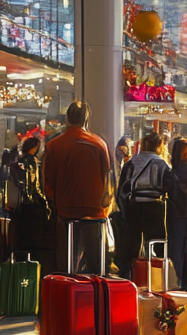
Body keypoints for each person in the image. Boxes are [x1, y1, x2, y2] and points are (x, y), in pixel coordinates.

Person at [41, 101, 113, 273]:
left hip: (65, 211)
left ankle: (67, 290)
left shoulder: (54, 145)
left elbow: (47, 181)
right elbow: (107, 179)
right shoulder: (99, 144)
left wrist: (55, 202)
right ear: (86, 119)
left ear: (67, 118)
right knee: (97, 265)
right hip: (95, 213)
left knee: (66, 262)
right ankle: (95, 293)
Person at [116, 132, 170, 277]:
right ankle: (159, 277)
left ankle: (129, 276)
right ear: (159, 146)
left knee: (132, 245)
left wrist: (123, 208)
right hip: (154, 207)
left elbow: (122, 188)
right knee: (157, 243)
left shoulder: (132, 162)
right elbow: (170, 186)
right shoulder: (161, 163)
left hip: (134, 206)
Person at [10, 137, 51, 270]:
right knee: (35, 245)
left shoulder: (17, 163)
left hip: (20, 209)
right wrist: (45, 205)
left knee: (22, 243)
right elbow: (37, 188)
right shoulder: (34, 162)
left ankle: (20, 269)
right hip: (34, 209)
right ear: (35, 147)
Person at [164, 138, 187, 289]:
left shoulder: (170, 171)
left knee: (176, 249)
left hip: (174, 214)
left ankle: (175, 281)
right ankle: (186, 281)